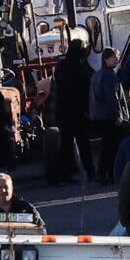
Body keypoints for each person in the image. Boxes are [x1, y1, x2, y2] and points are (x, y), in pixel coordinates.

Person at [46, 34, 93, 185]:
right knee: (84, 143)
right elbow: (85, 90)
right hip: (78, 112)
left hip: (63, 111)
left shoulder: (61, 66)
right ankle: (90, 172)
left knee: (66, 144)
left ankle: (63, 174)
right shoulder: (81, 67)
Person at [85, 47, 127, 183]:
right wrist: (118, 114)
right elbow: (112, 97)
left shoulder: (96, 75)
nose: (117, 59)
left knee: (107, 145)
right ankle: (105, 173)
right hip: (109, 116)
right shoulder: (109, 76)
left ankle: (105, 173)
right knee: (110, 146)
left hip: (98, 115)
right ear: (106, 59)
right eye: (114, 57)